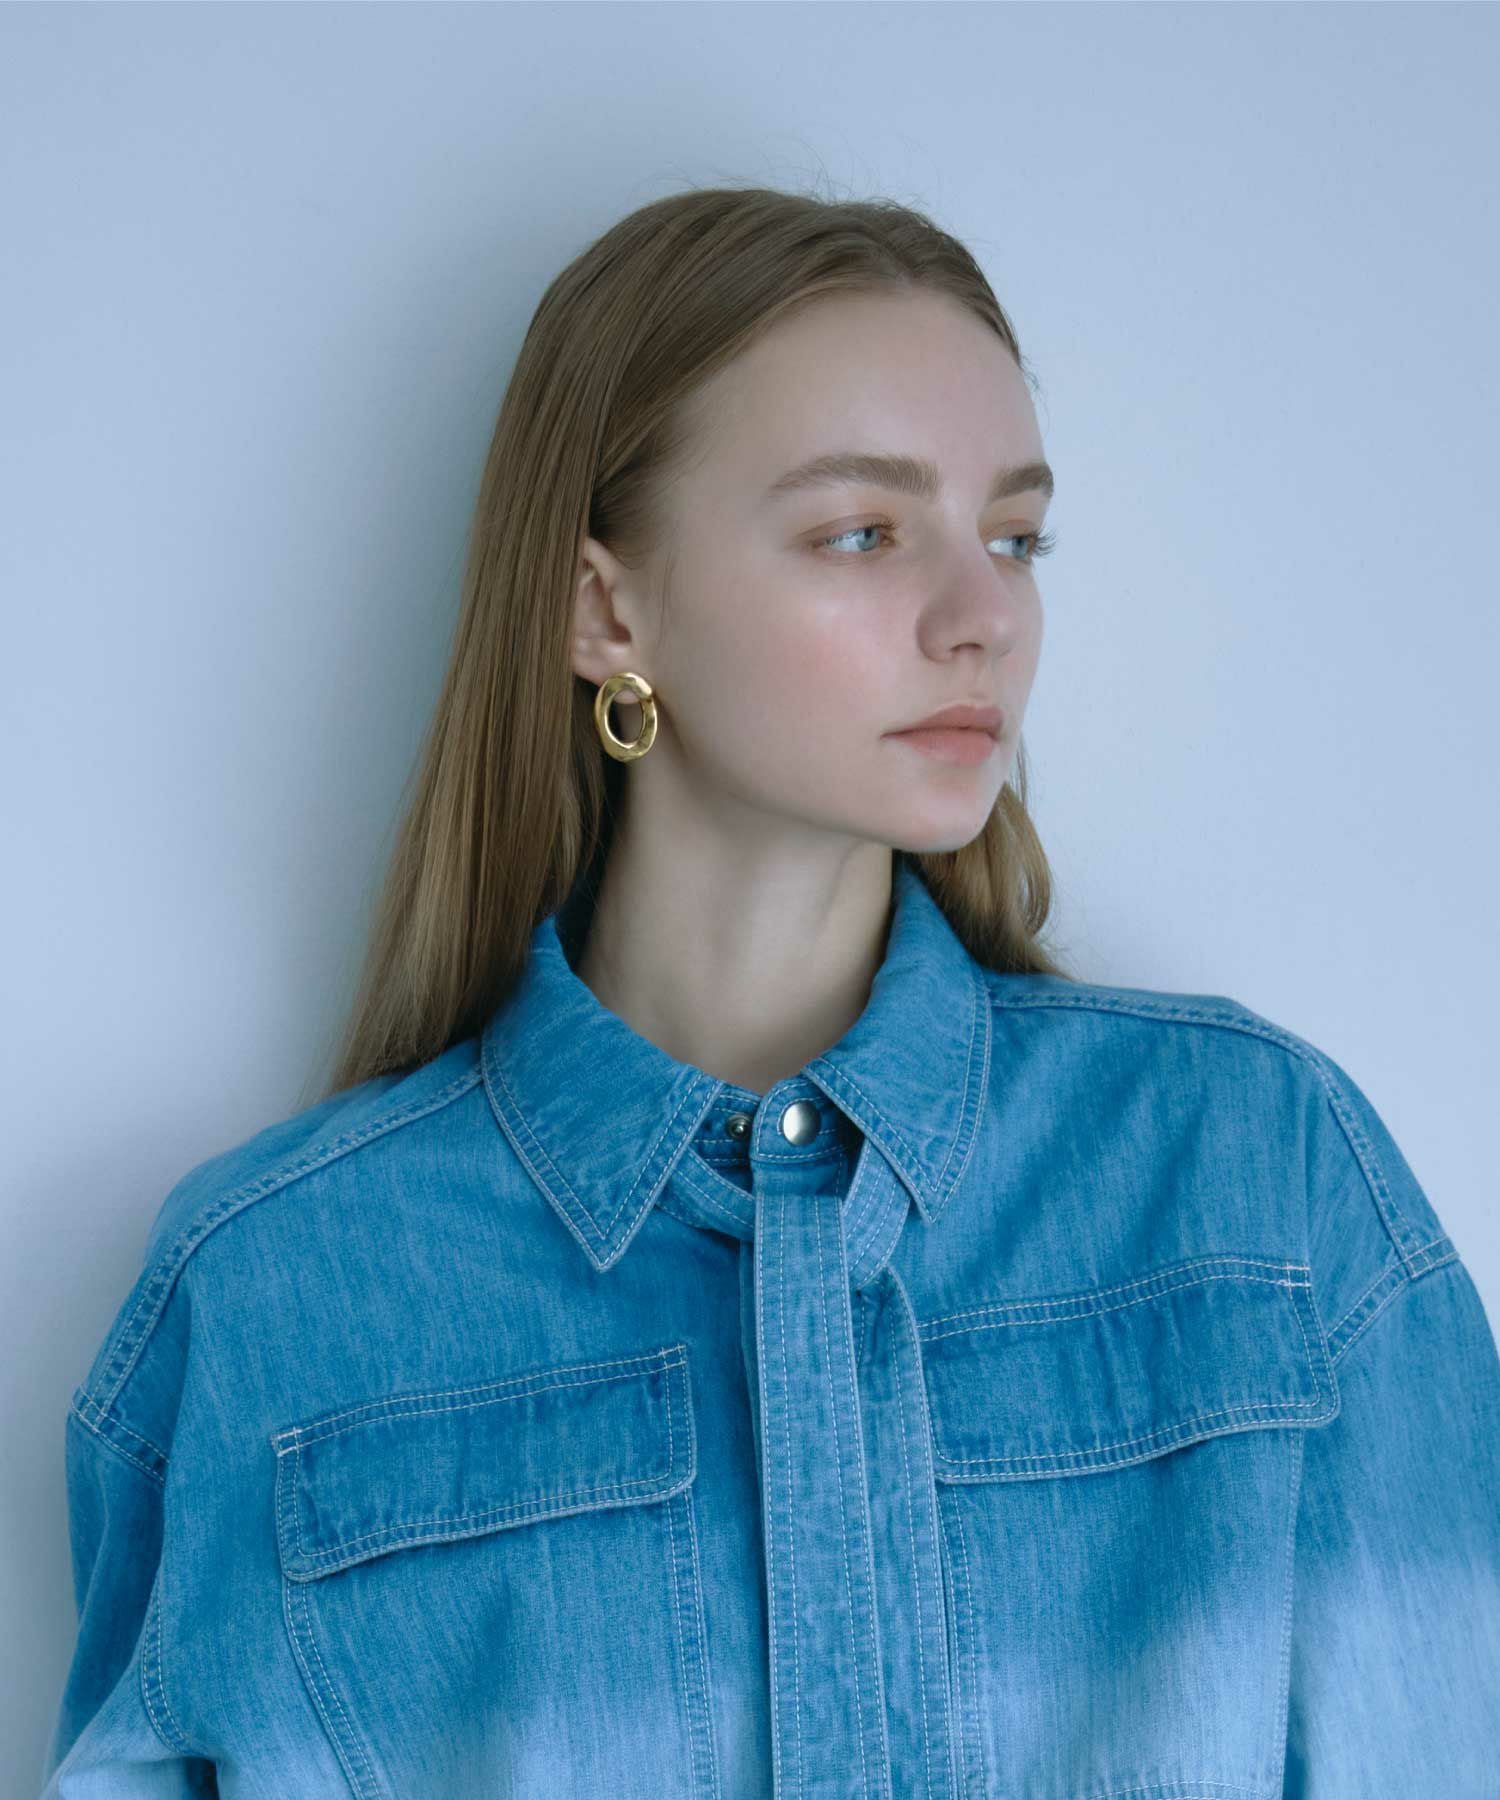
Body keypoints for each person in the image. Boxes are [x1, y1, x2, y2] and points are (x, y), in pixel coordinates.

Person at [41, 185, 1500, 1800]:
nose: (984, 618)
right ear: (608, 611)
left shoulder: (1257, 1176)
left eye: (1015, 538)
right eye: (863, 533)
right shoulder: (270, 1298)